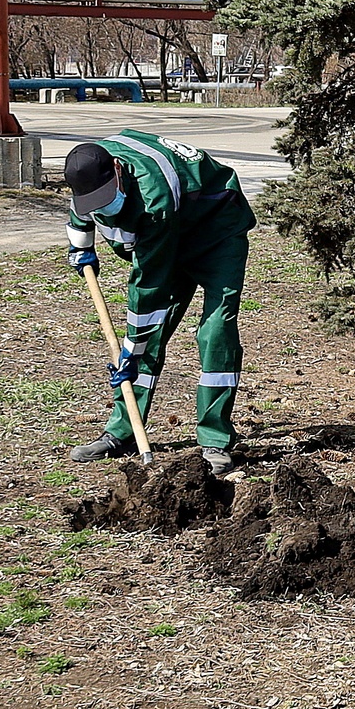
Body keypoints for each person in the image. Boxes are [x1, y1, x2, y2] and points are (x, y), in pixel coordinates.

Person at [61, 134, 256, 477]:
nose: (102, 207)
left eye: (106, 198)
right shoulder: (90, 169)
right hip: (170, 231)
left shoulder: (154, 198)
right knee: (147, 338)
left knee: (215, 331)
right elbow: (81, 212)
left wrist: (130, 352)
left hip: (216, 226)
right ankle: (123, 432)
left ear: (118, 171)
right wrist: (81, 246)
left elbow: (148, 288)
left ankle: (214, 439)